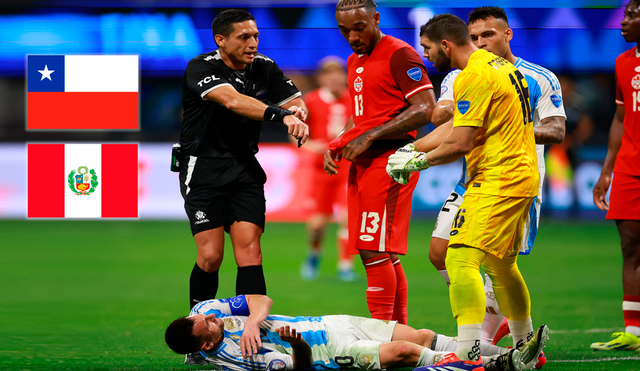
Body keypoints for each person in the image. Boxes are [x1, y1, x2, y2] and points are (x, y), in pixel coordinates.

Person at [387, 13, 548, 370]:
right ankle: (526, 345)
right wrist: (414, 150)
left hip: (497, 178)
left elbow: (460, 142)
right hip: (519, 176)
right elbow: (459, 129)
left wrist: (417, 163)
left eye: (428, 48)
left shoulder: (472, 76)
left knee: (458, 257)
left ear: (445, 44)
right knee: (501, 264)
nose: (425, 55)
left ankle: (467, 354)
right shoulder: (499, 66)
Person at [178, 9, 309, 310]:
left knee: (250, 253)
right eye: (244, 37)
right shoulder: (200, 67)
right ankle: (199, 334)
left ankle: (245, 334)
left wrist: (298, 112)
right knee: (211, 257)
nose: (253, 43)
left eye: (256, 36)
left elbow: (293, 100)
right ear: (220, 40)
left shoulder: (264, 66)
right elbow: (233, 101)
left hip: (245, 168)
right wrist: (284, 116)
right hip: (203, 167)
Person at [325, 0, 437, 325]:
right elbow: (362, 116)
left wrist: (371, 136)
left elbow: (425, 108)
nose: (352, 36)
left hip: (391, 160)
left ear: (376, 18)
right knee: (375, 250)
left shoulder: (400, 54)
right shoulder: (353, 60)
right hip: (363, 161)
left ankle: (382, 333)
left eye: (359, 27)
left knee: (372, 250)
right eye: (344, 30)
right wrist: (339, 141)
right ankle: (398, 330)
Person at [165, 294, 547, 371]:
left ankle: (508, 356)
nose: (215, 319)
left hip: (330, 321)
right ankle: (500, 364)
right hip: (327, 355)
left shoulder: (202, 311)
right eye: (210, 326)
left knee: (421, 335)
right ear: (206, 343)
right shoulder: (237, 360)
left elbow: (258, 299)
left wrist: (250, 320)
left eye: (209, 318)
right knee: (403, 352)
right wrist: (298, 347)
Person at [591, 0, 640, 352]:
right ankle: (633, 333)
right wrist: (606, 171)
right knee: (630, 248)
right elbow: (621, 120)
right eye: (624, 14)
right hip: (629, 168)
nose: (622, 22)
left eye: (631, 15)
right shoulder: (623, 62)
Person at [298, 56, 357, 282]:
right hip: (319, 171)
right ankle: (314, 253)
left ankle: (345, 265)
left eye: (338, 73)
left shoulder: (353, 100)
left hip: (347, 167)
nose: (335, 78)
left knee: (346, 216)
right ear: (321, 78)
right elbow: (297, 136)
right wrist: (313, 146)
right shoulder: (310, 101)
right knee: (317, 224)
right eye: (329, 74)